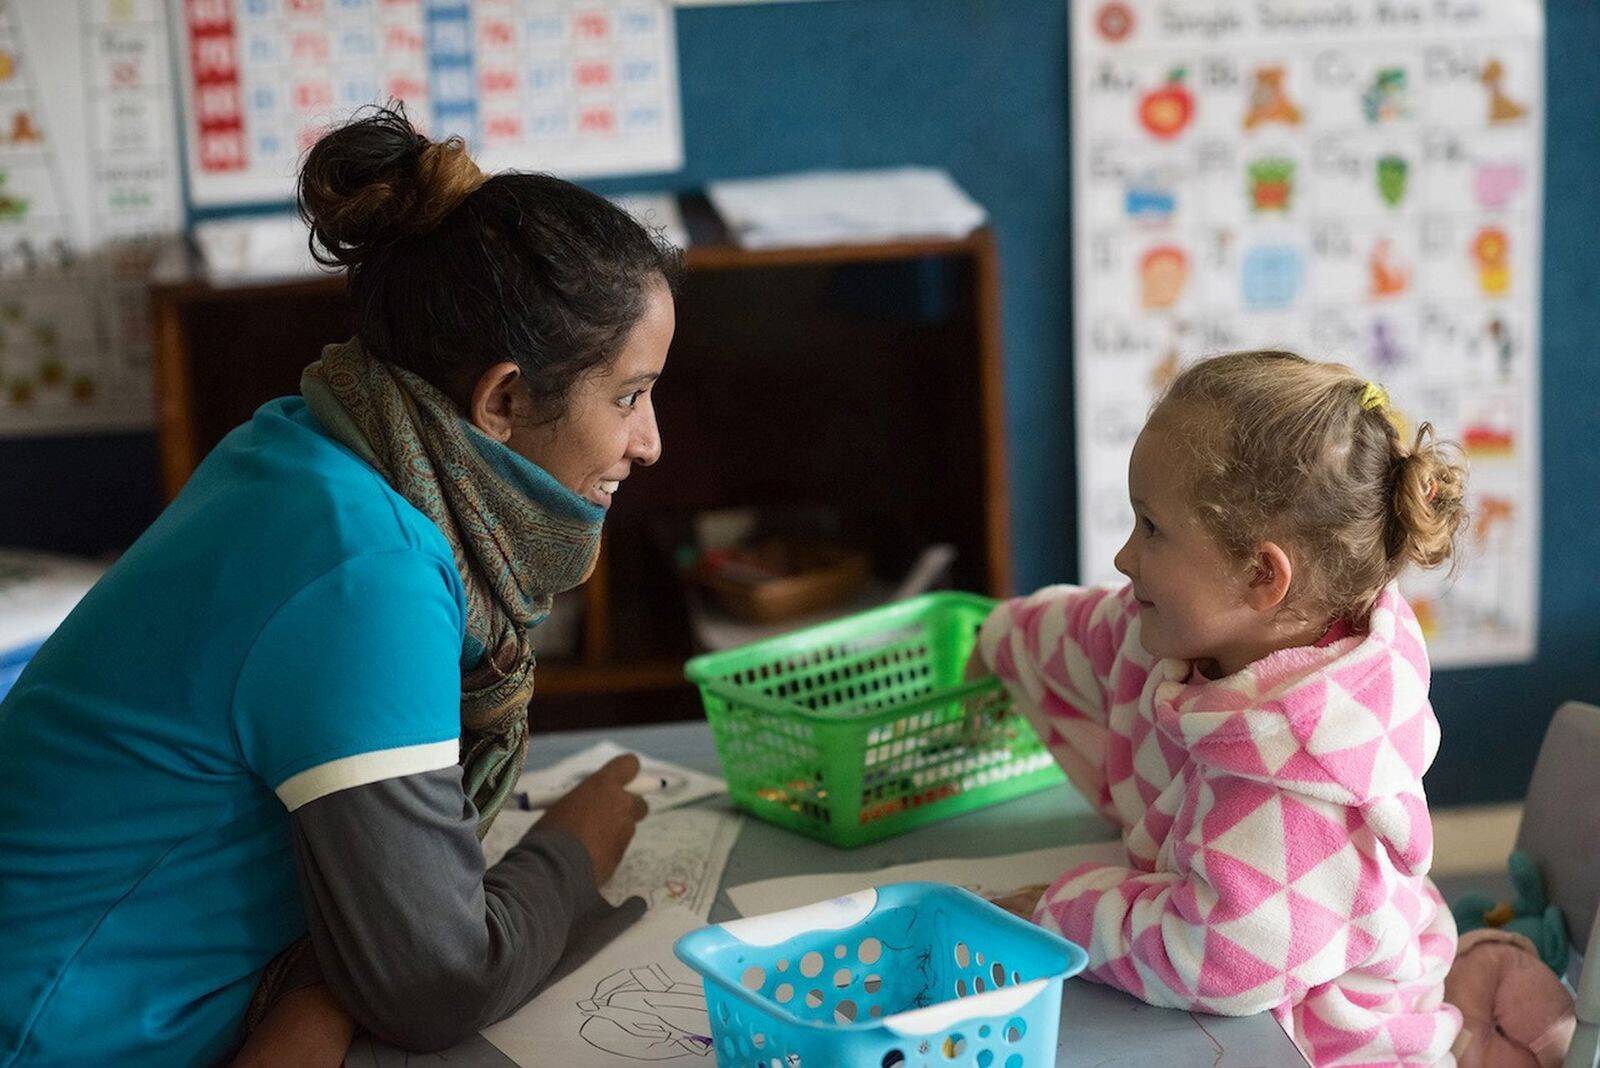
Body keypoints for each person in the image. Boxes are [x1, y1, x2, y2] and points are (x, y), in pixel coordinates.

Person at [0, 106, 681, 1066]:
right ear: (503, 398)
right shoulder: (369, 570)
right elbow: (436, 984)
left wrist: (328, 988)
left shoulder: (303, 447)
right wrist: (574, 851)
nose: (649, 443)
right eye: (629, 396)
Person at [975, 351, 1468, 1065]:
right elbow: (1087, 634)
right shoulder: (1195, 628)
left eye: (1151, 528)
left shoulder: (1307, 792)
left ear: (1261, 574)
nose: (1123, 557)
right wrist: (995, 640)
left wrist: (1057, 911)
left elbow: (1215, 960)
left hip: (1330, 1048)